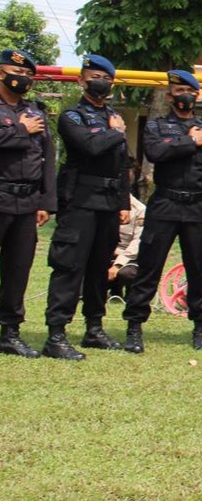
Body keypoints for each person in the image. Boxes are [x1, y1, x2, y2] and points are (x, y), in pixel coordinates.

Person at [120, 71, 202, 353]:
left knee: (197, 269)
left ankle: (201, 327)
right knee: (148, 266)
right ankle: (134, 327)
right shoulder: (157, 126)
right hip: (165, 204)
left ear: (197, 95)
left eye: (190, 91)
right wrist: (190, 142)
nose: (185, 95)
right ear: (170, 96)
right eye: (179, 90)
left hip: (197, 207)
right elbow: (155, 153)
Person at [43, 54, 131, 359]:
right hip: (80, 201)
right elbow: (89, 146)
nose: (100, 83)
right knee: (69, 267)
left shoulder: (115, 116)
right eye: (94, 77)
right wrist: (114, 132)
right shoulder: (72, 117)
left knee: (98, 269)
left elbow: (123, 165)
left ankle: (94, 329)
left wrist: (123, 202)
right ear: (81, 81)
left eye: (106, 79)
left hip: (108, 204)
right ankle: (56, 335)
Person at [0, 49, 55, 359]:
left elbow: (47, 158)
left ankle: (9, 332)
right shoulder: (25, 120)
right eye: (17, 72)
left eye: (29, 75)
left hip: (26, 201)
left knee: (18, 269)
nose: (23, 79)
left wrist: (46, 200)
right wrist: (20, 131)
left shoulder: (36, 111)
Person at [108, 192, 146, 300]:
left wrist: (117, 265)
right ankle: (113, 289)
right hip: (107, 252)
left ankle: (131, 293)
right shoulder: (105, 203)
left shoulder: (140, 209)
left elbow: (137, 242)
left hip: (130, 257)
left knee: (127, 274)